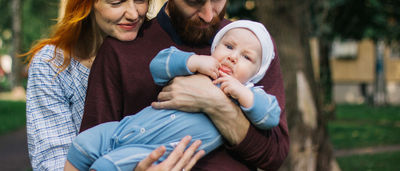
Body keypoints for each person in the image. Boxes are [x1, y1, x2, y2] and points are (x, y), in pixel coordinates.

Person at [81, 0, 289, 171]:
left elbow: (274, 154)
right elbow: (89, 155)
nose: (209, 15)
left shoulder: (251, 47)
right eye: (194, 1)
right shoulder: (121, 52)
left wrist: (215, 103)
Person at [25, 0, 202, 171]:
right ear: (86, 2)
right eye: (116, 2)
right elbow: (54, 164)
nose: (133, 13)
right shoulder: (52, 66)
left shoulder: (159, 51)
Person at [65, 20, 281, 171]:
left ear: (257, 72)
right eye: (229, 46)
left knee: (107, 166)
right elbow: (158, 65)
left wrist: (244, 94)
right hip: (126, 127)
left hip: (156, 151)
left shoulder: (248, 92)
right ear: (215, 47)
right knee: (81, 145)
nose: (233, 57)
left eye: (246, 57)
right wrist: (192, 62)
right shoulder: (198, 65)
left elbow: (271, 115)